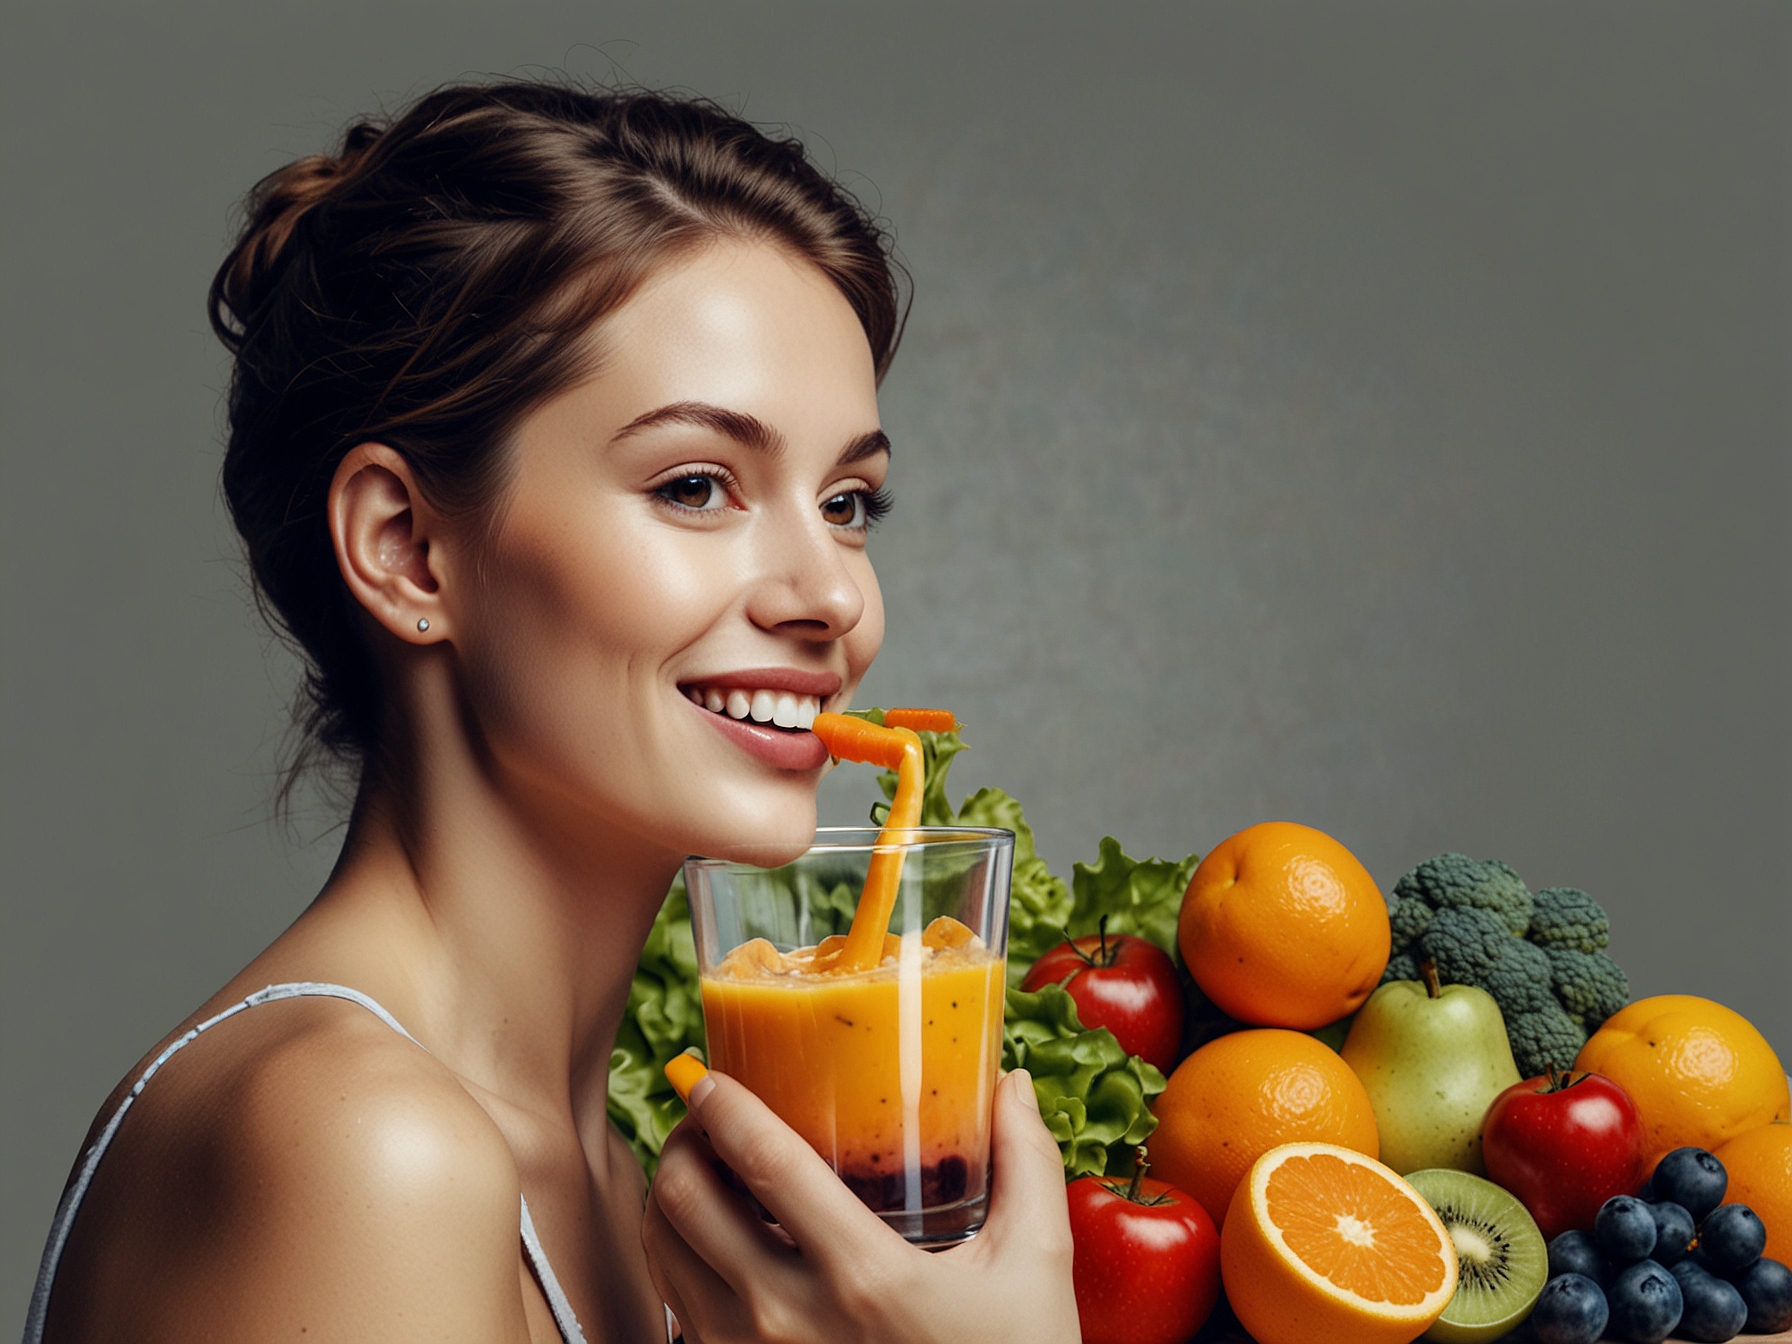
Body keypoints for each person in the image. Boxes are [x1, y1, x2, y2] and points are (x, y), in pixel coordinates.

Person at [24, 82, 1078, 1344]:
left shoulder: (635, 1189)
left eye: (849, 503)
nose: (832, 597)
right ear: (409, 549)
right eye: (698, 486)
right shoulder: (364, 1149)